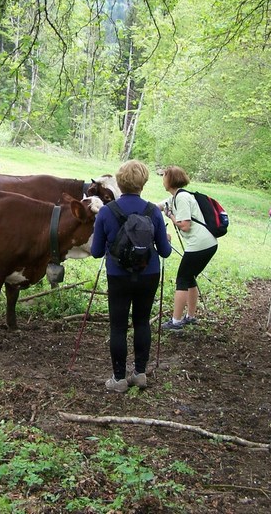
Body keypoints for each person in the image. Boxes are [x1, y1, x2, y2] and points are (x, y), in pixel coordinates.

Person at [90, 160, 172, 393]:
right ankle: (139, 374)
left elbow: (96, 252)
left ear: (120, 183)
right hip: (149, 273)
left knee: (117, 327)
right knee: (142, 321)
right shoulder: (153, 211)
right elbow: (165, 252)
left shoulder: (106, 211)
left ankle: (118, 379)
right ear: (143, 184)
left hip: (118, 275)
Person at [160, 166, 219, 333]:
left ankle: (176, 321)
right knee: (190, 278)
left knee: (182, 279)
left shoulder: (182, 198)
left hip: (200, 244)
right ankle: (190, 317)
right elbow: (158, 206)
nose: (162, 179)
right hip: (207, 243)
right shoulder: (175, 197)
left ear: (170, 179)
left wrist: (170, 216)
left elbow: (185, 225)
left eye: (164, 176)